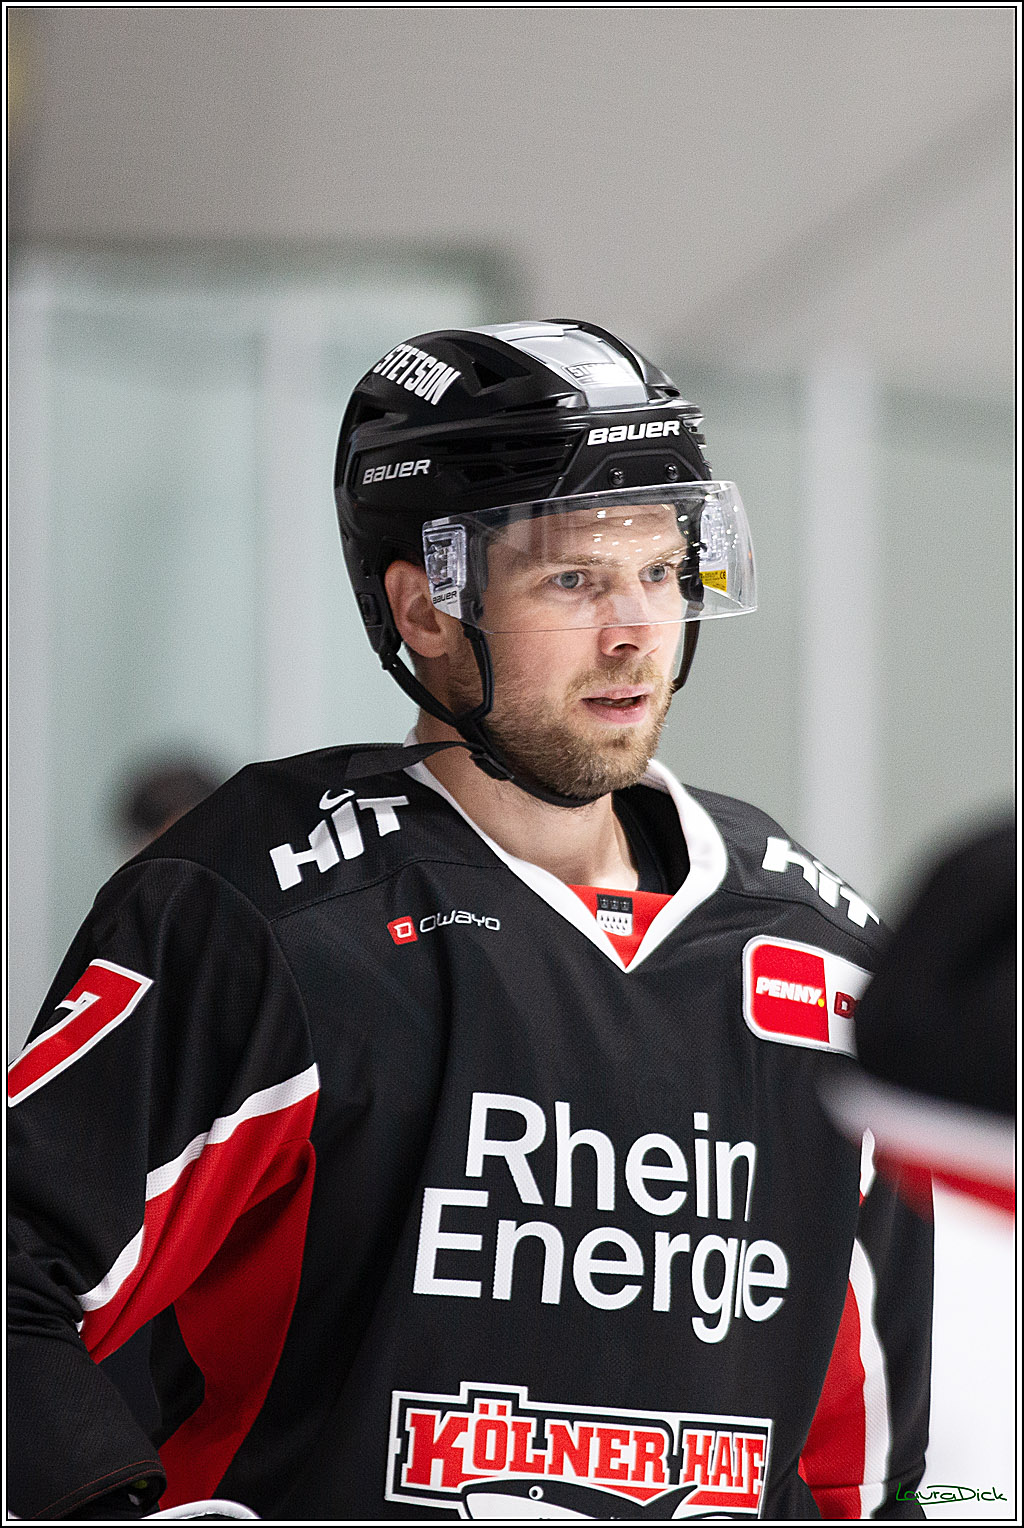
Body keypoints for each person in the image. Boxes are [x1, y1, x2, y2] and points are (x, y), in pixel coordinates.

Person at [8, 320, 932, 1521]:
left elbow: (865, 1468)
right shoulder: (267, 909)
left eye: (658, 570)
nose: (634, 631)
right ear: (426, 608)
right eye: (573, 578)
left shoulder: (814, 955)